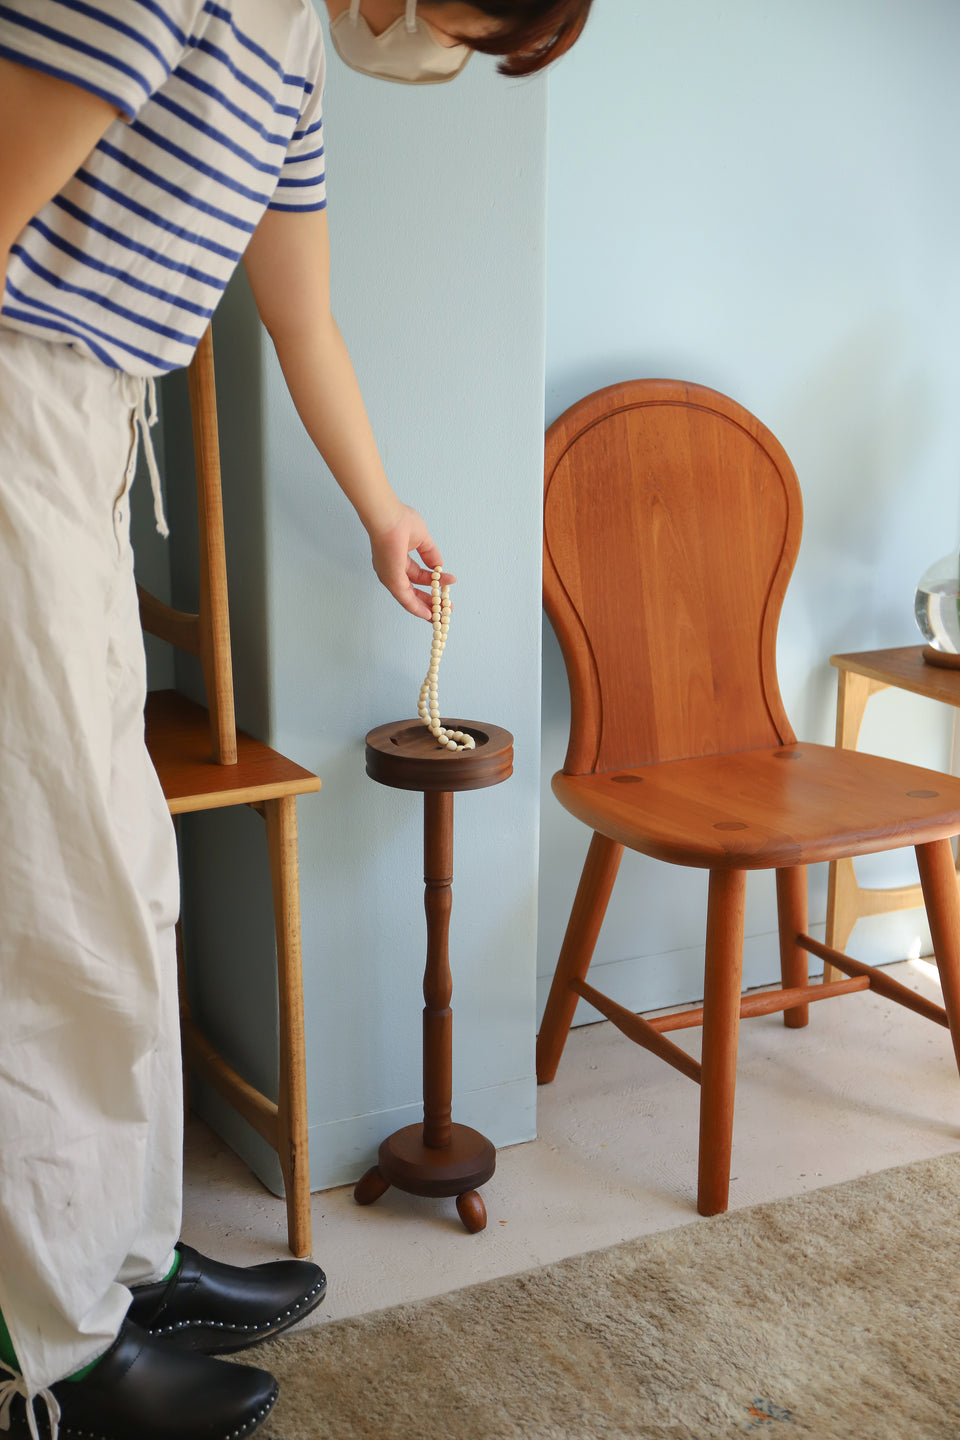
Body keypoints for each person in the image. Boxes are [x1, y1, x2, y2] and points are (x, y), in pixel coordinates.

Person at [0, 1, 592, 1437]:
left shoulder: (295, 46)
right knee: (53, 909)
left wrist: (384, 513)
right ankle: (49, 1360)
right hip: (19, 402)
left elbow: (300, 310)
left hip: (92, 419)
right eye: (454, 21)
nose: (429, 46)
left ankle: (124, 1264)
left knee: (128, 887)